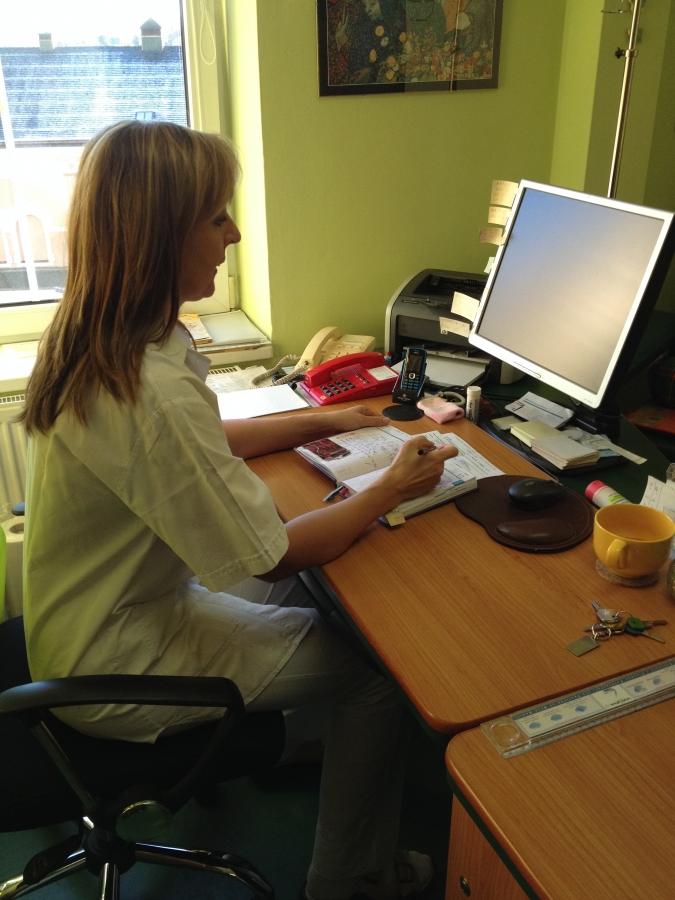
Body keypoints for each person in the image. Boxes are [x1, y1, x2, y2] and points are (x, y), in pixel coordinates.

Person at [20, 120, 458, 900]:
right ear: (162, 236)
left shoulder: (111, 336)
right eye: (216, 216)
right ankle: (349, 881)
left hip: (83, 622)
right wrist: (390, 486)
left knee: (313, 599)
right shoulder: (147, 387)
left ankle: (300, 744)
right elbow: (277, 551)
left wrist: (319, 419)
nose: (234, 233)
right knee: (376, 675)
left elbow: (204, 440)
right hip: (119, 663)